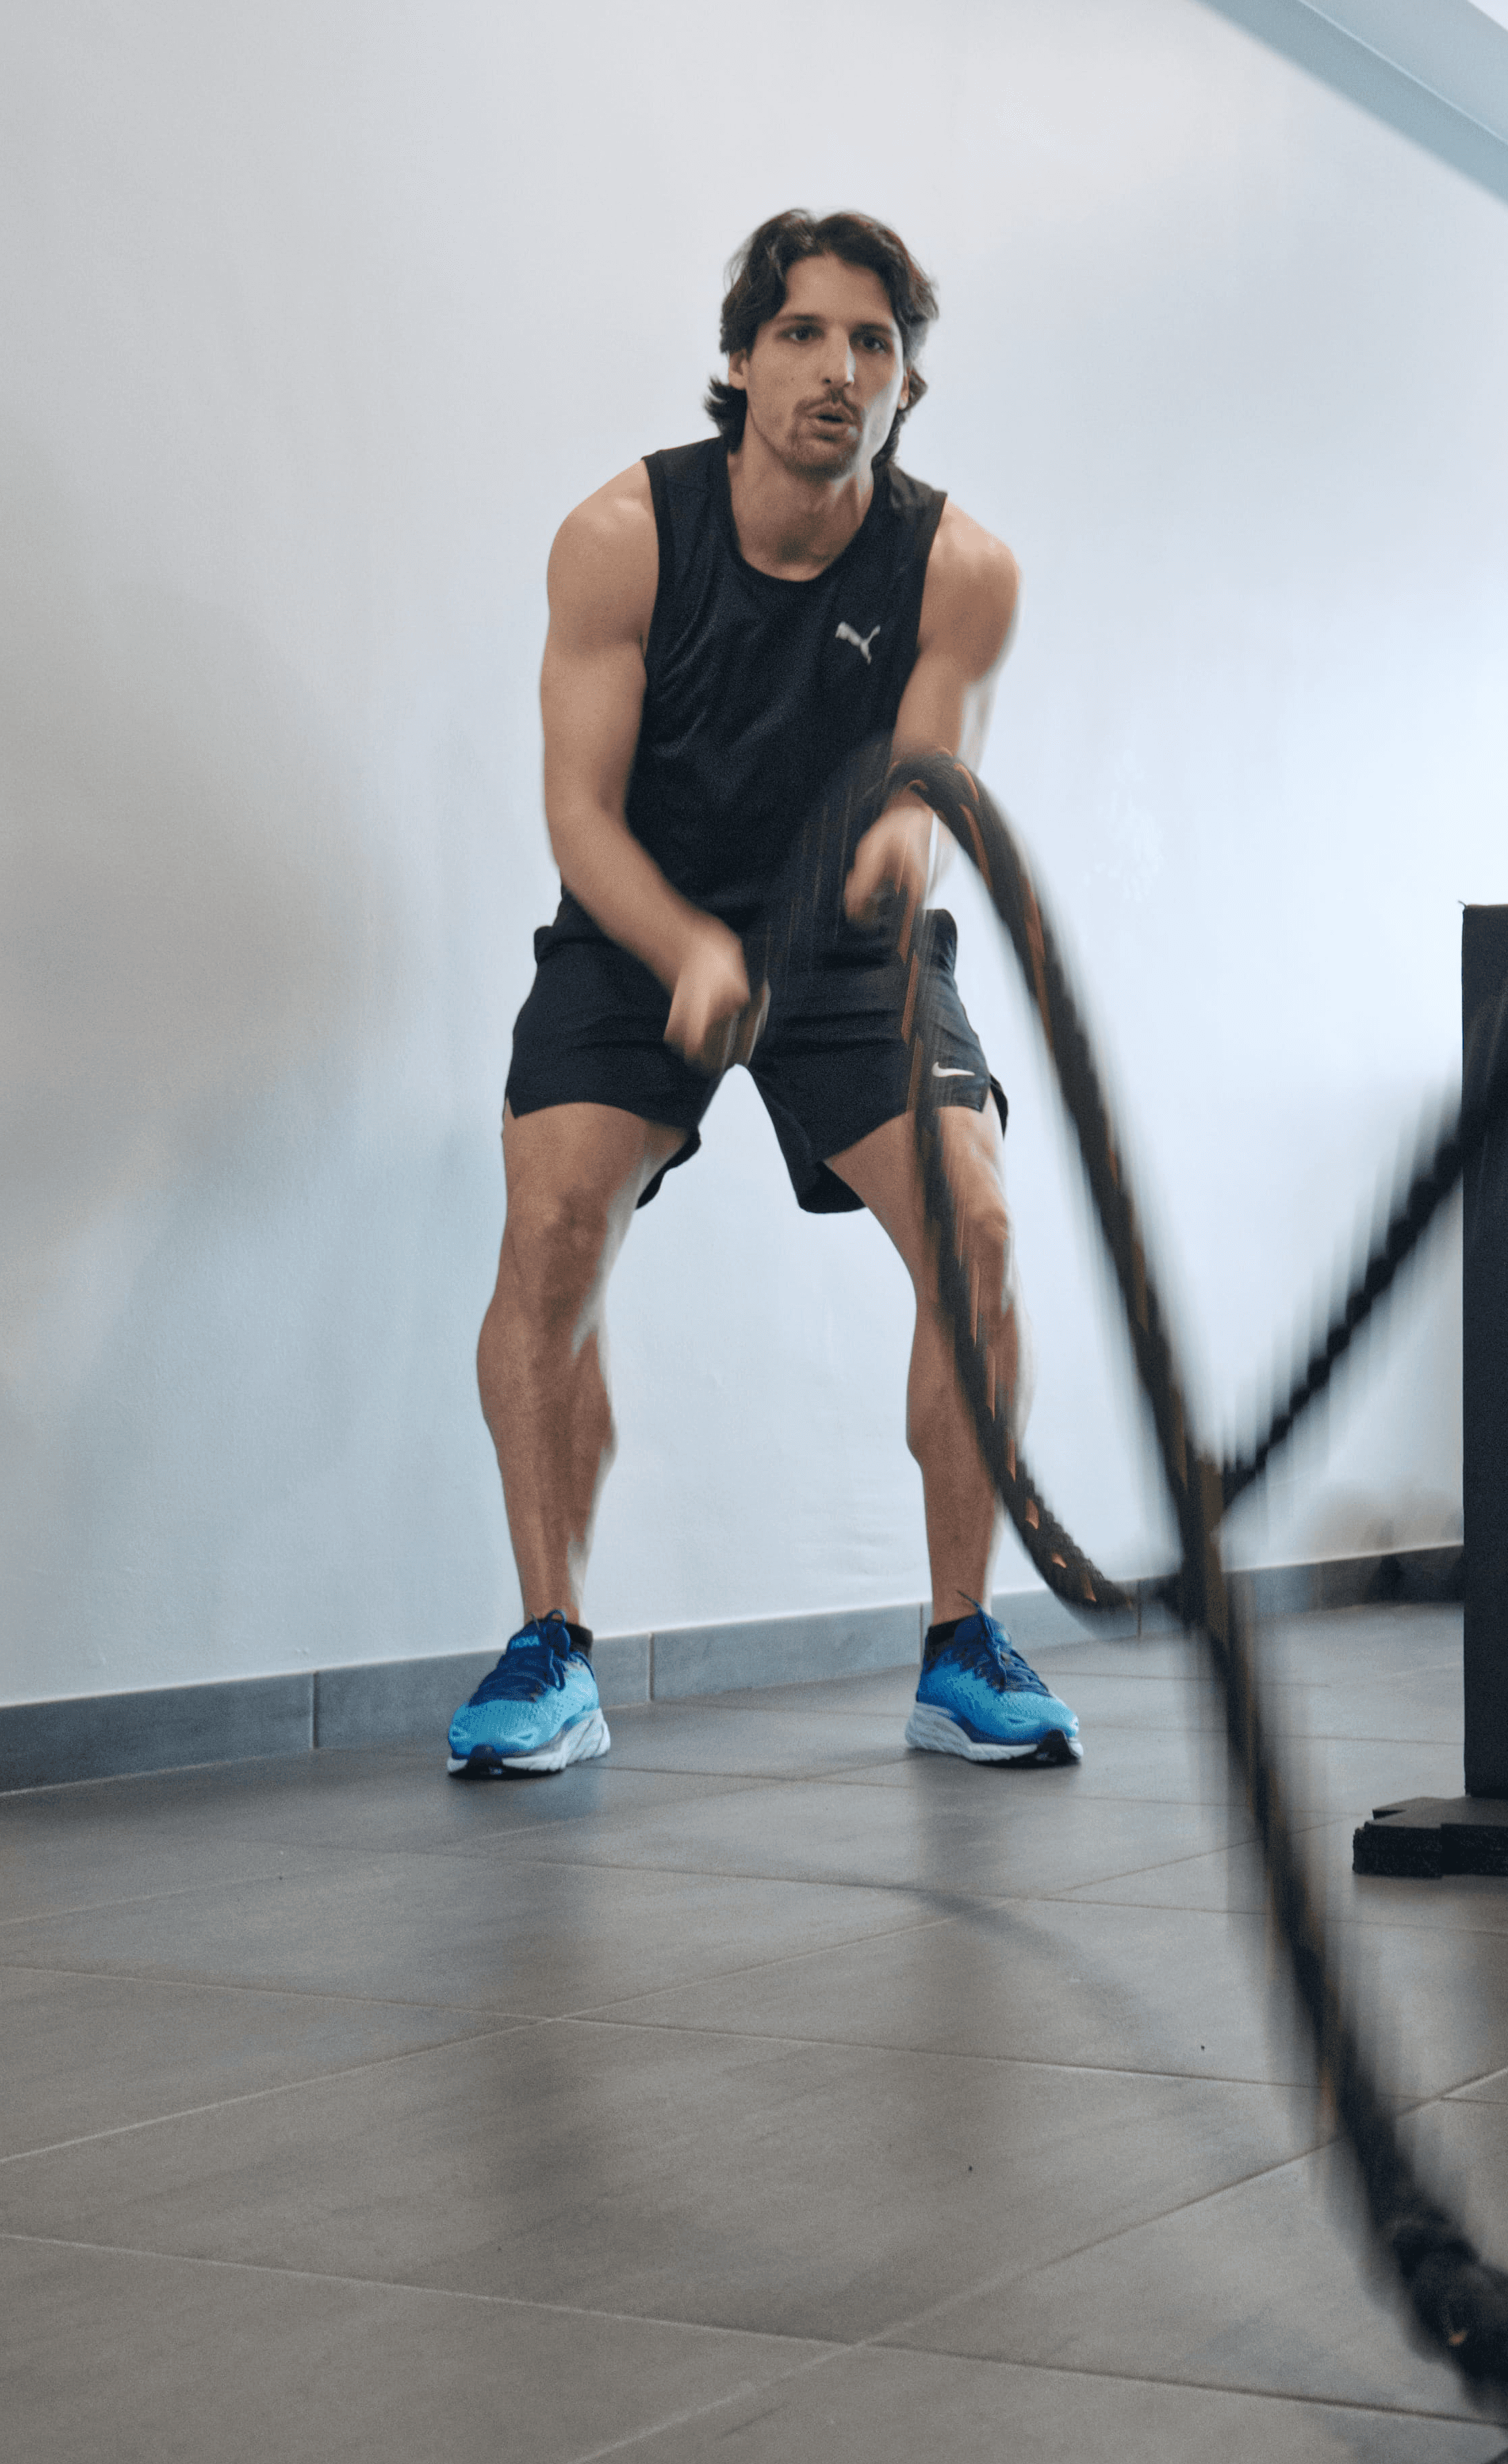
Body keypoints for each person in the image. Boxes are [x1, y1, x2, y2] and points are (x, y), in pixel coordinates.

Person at [450, 209, 1079, 1778]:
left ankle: (959, 1646)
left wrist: (886, 868)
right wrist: (690, 951)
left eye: (875, 344)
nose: (837, 369)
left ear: (905, 389)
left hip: (848, 948)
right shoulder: (623, 537)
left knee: (979, 1229)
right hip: (636, 926)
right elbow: (580, 816)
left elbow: (926, 797)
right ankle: (552, 1648)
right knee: (554, 1227)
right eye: (802, 333)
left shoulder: (962, 570)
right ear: (739, 361)